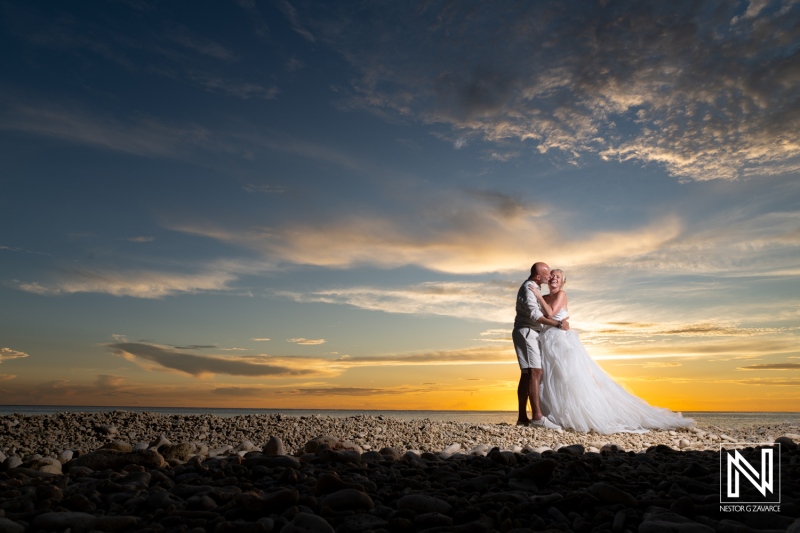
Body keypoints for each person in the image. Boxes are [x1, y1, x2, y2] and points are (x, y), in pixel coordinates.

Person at [530, 269, 695, 434]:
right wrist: (540, 300)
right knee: (549, 376)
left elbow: (550, 313)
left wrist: (537, 296)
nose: (554, 278)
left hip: (562, 340)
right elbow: (537, 314)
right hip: (546, 338)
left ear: (562, 282)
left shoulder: (561, 295)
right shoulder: (545, 298)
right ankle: (551, 415)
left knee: (566, 376)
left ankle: (573, 415)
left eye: (558, 277)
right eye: (552, 275)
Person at [513, 262, 569, 429]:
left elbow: (548, 310)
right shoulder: (530, 289)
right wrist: (558, 324)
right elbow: (536, 315)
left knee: (527, 373)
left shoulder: (536, 289)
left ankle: (523, 417)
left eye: (555, 276)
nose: (550, 277)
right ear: (539, 277)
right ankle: (537, 416)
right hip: (528, 331)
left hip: (535, 333)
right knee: (535, 371)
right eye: (548, 275)